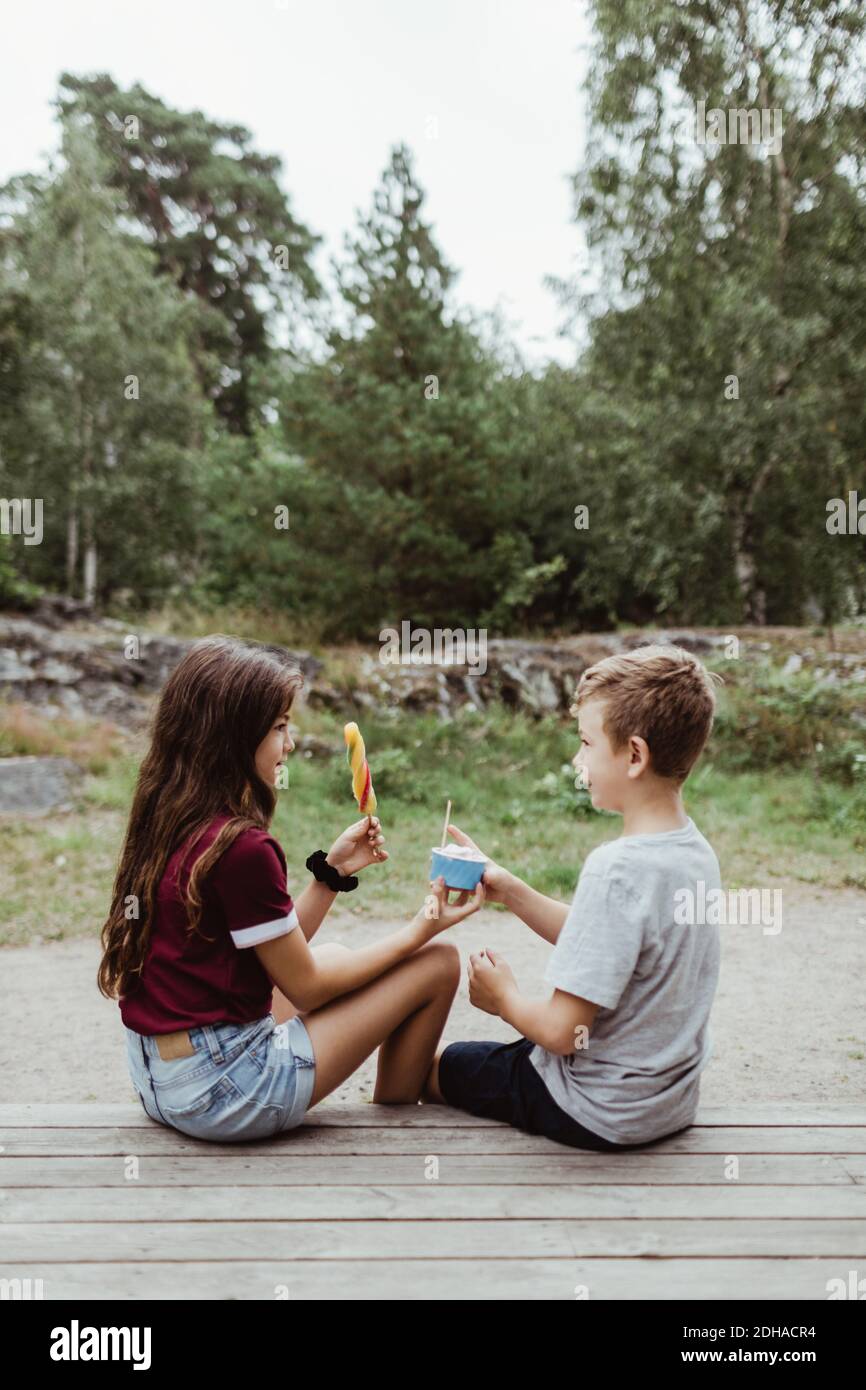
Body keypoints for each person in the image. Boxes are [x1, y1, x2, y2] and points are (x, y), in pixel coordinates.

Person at [98, 635, 483, 1141]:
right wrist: (422, 928)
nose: (291, 743)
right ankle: (397, 1125)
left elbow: (273, 953)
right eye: (280, 727)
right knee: (438, 963)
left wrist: (332, 874)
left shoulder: (170, 817)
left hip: (159, 1077)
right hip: (224, 1092)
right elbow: (305, 987)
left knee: (338, 953)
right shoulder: (242, 847)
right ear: (234, 736)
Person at [421, 643, 724, 1153]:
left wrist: (504, 999)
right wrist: (511, 890)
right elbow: (614, 942)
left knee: (438, 1068)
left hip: (593, 1110)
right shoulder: (695, 853)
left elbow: (562, 1033)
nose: (576, 758)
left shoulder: (615, 868)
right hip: (665, 1103)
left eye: (586, 743)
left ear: (634, 755)